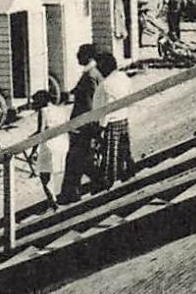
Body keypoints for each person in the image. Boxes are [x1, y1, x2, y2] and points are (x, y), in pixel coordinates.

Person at [58, 44, 103, 204]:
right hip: (83, 125)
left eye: (80, 54)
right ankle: (73, 191)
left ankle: (71, 193)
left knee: (76, 159)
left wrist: (88, 127)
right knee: (81, 159)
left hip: (83, 126)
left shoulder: (90, 76)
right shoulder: (93, 73)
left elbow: (91, 105)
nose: (77, 56)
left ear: (88, 56)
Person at [93, 50, 134, 189]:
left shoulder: (105, 85)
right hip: (123, 117)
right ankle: (127, 174)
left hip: (110, 122)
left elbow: (104, 109)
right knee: (124, 150)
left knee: (111, 153)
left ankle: (110, 181)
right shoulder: (124, 77)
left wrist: (101, 127)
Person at [28, 89, 70, 209]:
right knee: (58, 172)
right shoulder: (60, 110)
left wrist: (32, 151)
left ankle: (53, 203)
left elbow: (41, 132)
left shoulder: (43, 111)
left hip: (49, 145)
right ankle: (59, 198)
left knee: (44, 176)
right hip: (62, 142)